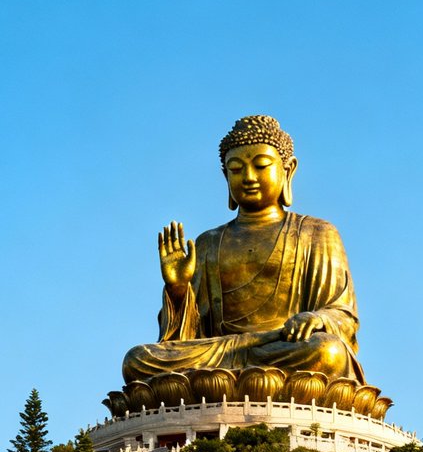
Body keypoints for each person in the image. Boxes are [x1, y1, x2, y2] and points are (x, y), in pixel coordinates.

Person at [121, 115, 365, 383]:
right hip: (219, 355)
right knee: (138, 359)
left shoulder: (317, 233)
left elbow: (341, 313)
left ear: (288, 170)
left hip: (282, 347)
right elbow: (191, 336)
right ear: (225, 176)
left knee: (328, 352)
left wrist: (316, 318)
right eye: (236, 169)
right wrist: (178, 289)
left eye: (260, 166)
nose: (248, 177)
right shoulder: (208, 242)